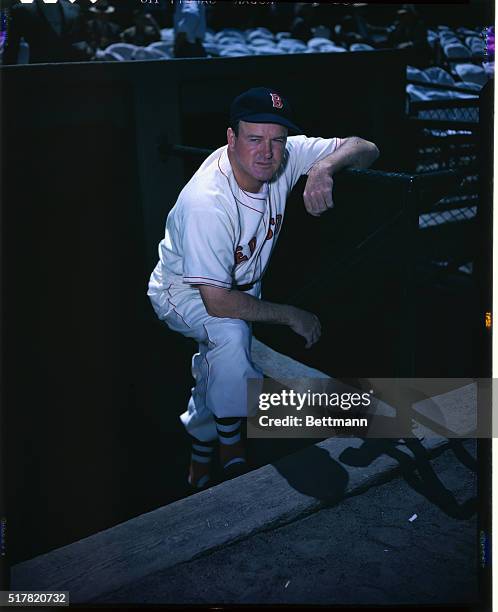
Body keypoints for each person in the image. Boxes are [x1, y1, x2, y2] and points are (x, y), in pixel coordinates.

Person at [148, 87, 379, 490]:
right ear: (231, 139)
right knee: (229, 334)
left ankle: (201, 449)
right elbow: (217, 302)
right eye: (254, 139)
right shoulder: (207, 201)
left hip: (241, 286)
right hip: (182, 290)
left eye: (277, 140)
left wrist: (323, 168)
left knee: (218, 358)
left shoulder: (283, 155)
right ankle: (231, 445)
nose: (267, 152)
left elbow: (365, 147)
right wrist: (292, 314)